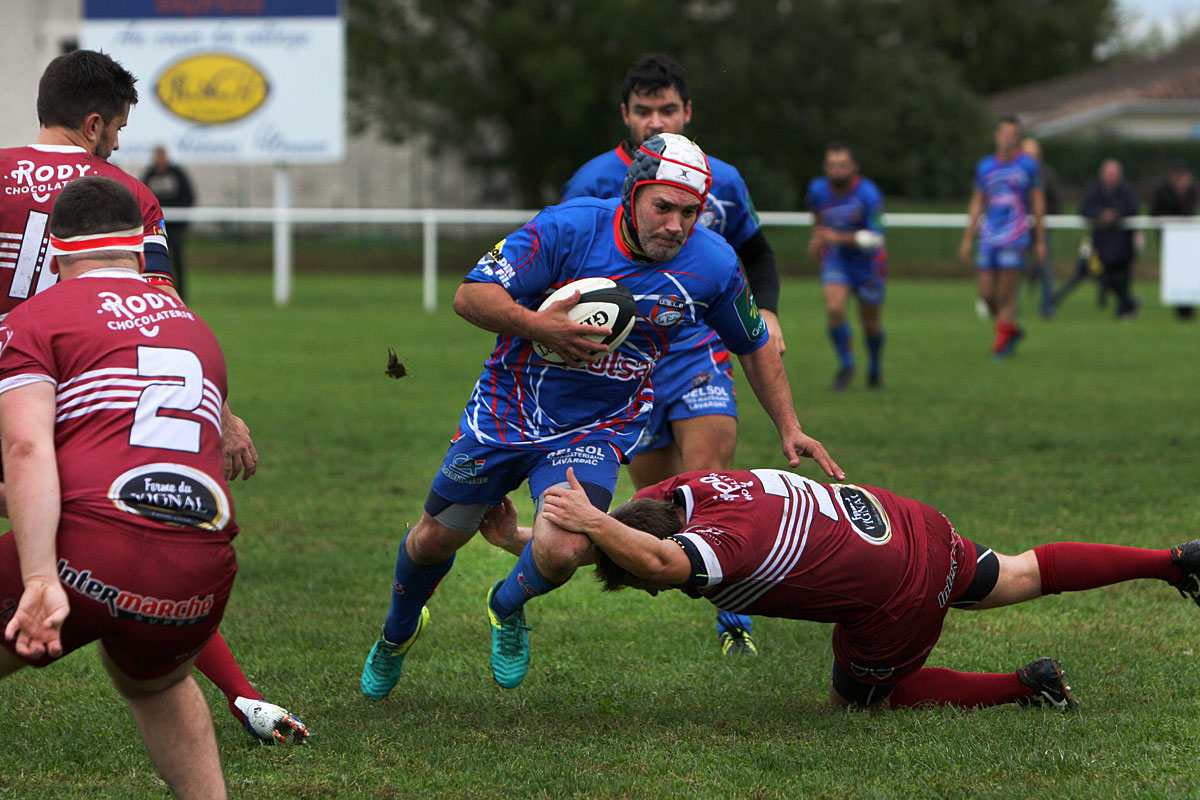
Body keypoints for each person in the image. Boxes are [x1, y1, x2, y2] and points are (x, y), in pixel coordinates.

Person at [361, 133, 843, 700]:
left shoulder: (713, 265)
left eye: (690, 212)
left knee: (565, 547)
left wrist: (789, 425)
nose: (675, 225)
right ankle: (397, 632)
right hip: (505, 411)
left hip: (598, 427)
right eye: (662, 207)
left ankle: (505, 604)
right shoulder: (568, 228)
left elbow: (755, 343)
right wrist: (542, 326)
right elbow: (471, 296)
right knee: (434, 541)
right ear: (633, 194)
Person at [0, 49, 301, 744]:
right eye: (118, 131)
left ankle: (244, 698)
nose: (118, 144)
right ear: (96, 122)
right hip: (76, 395)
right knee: (137, 539)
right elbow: (156, 314)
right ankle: (244, 698)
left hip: (20, 385)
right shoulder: (125, 195)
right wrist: (220, 412)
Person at [486, 465, 1200, 711]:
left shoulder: (716, 554)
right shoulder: (689, 492)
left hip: (900, 589)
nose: (650, 587)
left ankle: (1025, 685)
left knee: (858, 702)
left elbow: (663, 565)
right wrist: (524, 541)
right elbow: (634, 541)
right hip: (911, 522)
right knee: (1019, 572)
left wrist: (580, 519)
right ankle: (1173, 561)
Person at [0, 176, 241, 797]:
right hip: (204, 564)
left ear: (54, 253)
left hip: (91, 547)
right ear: (140, 252)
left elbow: (26, 447)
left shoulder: (38, 317)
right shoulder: (195, 327)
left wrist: (37, 576)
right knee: (155, 683)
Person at [560, 52, 783, 654]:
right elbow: (564, 276)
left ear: (687, 111)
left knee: (709, 479)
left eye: (667, 109)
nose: (656, 121)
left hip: (699, 350)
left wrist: (768, 314)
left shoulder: (723, 179)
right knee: (662, 503)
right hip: (623, 368)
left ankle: (735, 615)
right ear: (625, 116)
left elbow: (757, 255)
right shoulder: (592, 184)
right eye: (643, 111)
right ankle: (679, 574)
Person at [958, 117, 1046, 361]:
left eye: (1012, 134)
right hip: (989, 237)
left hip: (1015, 237)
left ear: (1017, 138)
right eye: (1003, 133)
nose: (1007, 139)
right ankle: (1011, 329)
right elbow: (977, 202)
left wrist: (1039, 240)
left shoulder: (1028, 166)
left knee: (1006, 294)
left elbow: (1038, 203)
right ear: (997, 135)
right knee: (987, 295)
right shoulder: (985, 167)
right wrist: (968, 237)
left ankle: (1000, 344)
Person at [805, 143, 887, 390]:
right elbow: (819, 220)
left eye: (842, 165)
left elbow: (877, 237)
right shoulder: (817, 190)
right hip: (837, 259)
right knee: (834, 309)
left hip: (869, 263)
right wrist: (817, 240)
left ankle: (874, 366)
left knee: (870, 323)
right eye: (832, 165)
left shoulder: (869, 194)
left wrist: (837, 237)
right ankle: (847, 365)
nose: (837, 170)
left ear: (853, 167)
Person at [1080, 159, 1140, 321]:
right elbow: (1084, 209)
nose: (1111, 177)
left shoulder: (1126, 190)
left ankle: (1124, 309)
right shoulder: (1094, 189)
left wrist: (1115, 216)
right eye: (1109, 173)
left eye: (1114, 174)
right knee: (1097, 272)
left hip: (1122, 244)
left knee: (1122, 276)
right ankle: (1128, 303)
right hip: (1100, 243)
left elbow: (1133, 208)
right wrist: (1100, 215)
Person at [141, 145, 196, 302]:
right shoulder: (149, 174)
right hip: (155, 226)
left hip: (176, 226)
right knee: (154, 259)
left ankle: (180, 294)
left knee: (177, 259)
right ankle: (156, 292)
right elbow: (144, 197)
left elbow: (189, 197)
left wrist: (180, 217)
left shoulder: (177, 173)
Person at [1149, 159, 1197, 320]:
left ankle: (1187, 309)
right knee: (1176, 272)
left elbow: (1188, 210)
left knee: (1188, 272)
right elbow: (1155, 212)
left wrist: (1182, 191)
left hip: (1187, 238)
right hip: (1169, 237)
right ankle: (1181, 309)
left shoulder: (1190, 190)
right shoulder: (1161, 190)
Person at [1019, 137, 1061, 319]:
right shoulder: (1014, 173)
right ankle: (1010, 307)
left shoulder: (1046, 174)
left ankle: (1047, 307)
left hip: (1040, 229)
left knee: (1045, 268)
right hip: (1018, 230)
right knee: (1013, 268)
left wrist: (1044, 222)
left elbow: (1056, 202)